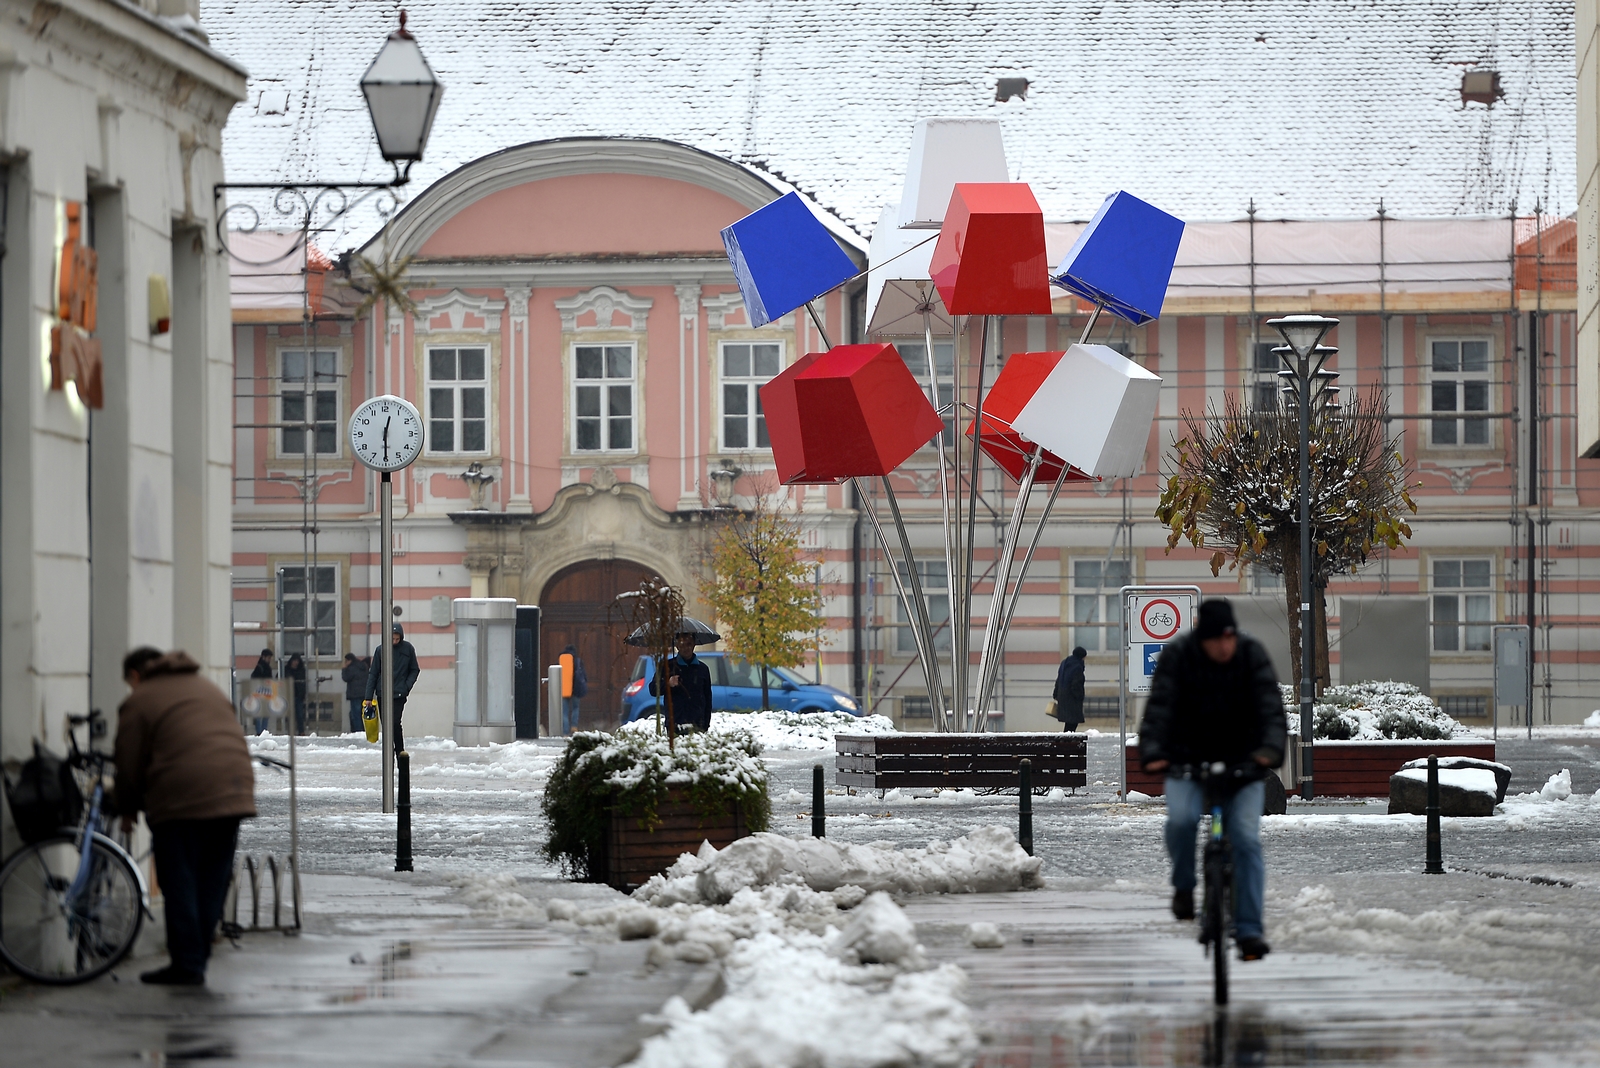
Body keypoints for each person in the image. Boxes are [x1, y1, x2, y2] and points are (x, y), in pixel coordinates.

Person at [1138, 599, 1286, 962]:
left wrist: (1269, 750)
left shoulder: (1251, 656)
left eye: (1229, 637)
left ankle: (1249, 930)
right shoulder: (1179, 657)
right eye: (1216, 639)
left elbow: (1270, 709)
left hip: (1243, 767)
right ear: (1200, 640)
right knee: (1182, 821)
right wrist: (1154, 751)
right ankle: (1184, 887)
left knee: (1246, 840)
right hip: (1187, 764)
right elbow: (1159, 711)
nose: (1224, 646)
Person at [113, 646, 256, 986]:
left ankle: (187, 965)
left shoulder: (141, 699)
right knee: (211, 880)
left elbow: (128, 761)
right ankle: (196, 958)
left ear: (135, 675)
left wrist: (126, 808)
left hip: (181, 797)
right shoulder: (205, 687)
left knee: (178, 881)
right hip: (233, 791)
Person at [365, 623, 420, 753]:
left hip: (399, 693)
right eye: (392, 639)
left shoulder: (408, 649)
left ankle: (399, 751)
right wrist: (368, 696)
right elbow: (373, 673)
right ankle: (389, 753)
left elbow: (414, 669)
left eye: (397, 639)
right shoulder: (380, 650)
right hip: (383, 693)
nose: (395, 641)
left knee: (395, 722)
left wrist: (406, 687)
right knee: (386, 725)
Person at [649, 632, 712, 733]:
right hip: (675, 723)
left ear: (694, 644)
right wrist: (668, 684)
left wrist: (705, 724)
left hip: (698, 725)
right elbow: (653, 689)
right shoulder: (667, 667)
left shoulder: (702, 669)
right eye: (682, 644)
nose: (686, 648)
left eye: (689, 644)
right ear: (677, 646)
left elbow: (707, 698)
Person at [1052, 646, 1087, 731]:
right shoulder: (1077, 666)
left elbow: (1059, 679)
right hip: (1072, 699)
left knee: (1069, 723)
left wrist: (1056, 694)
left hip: (1062, 696)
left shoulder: (1065, 663)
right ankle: (1067, 739)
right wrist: (1080, 696)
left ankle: (1066, 738)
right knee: (1072, 723)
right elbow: (1076, 684)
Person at [561, 643, 588, 735]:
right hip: (576, 688)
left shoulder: (561, 660)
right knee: (575, 708)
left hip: (564, 688)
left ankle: (565, 732)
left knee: (564, 711)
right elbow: (583, 675)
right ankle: (574, 727)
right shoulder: (578, 661)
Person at [341, 652, 369, 734]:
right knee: (363, 714)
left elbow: (346, 678)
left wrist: (344, 668)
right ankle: (364, 730)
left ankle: (359, 732)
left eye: (346, 661)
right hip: (364, 694)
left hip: (355, 694)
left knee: (356, 715)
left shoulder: (351, 668)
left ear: (349, 660)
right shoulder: (363, 666)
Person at [284, 653, 308, 735]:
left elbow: (303, 683)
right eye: (294, 661)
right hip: (289, 695)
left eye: (297, 661)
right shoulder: (286, 669)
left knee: (300, 715)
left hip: (298, 696)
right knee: (290, 715)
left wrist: (303, 694)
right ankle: (291, 731)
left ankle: (301, 731)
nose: (296, 663)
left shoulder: (301, 670)